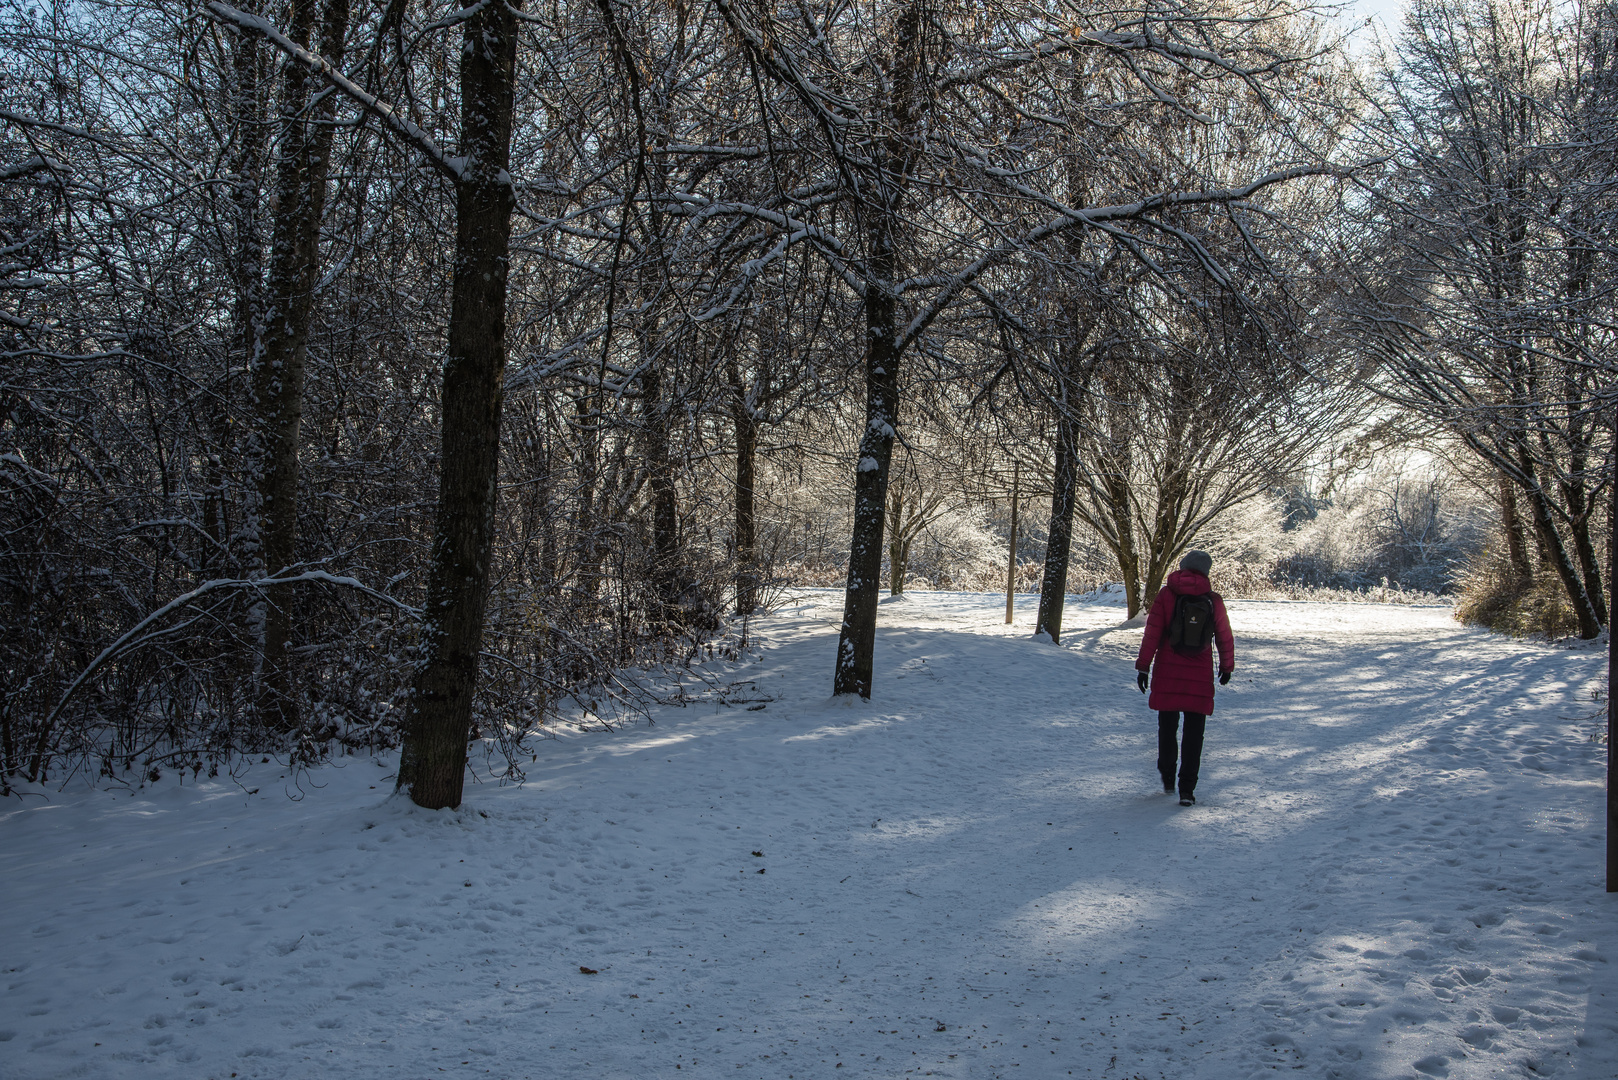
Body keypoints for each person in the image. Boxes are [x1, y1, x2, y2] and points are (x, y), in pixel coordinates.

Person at [1133, 550, 1234, 807]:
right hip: (1198, 677)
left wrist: (1143, 666)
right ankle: (1187, 789)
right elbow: (1224, 635)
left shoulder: (1167, 596)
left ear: (1184, 567)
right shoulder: (1213, 600)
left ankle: (1167, 776)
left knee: (1167, 728)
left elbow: (1152, 632)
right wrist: (1226, 666)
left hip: (1168, 673)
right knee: (1194, 734)